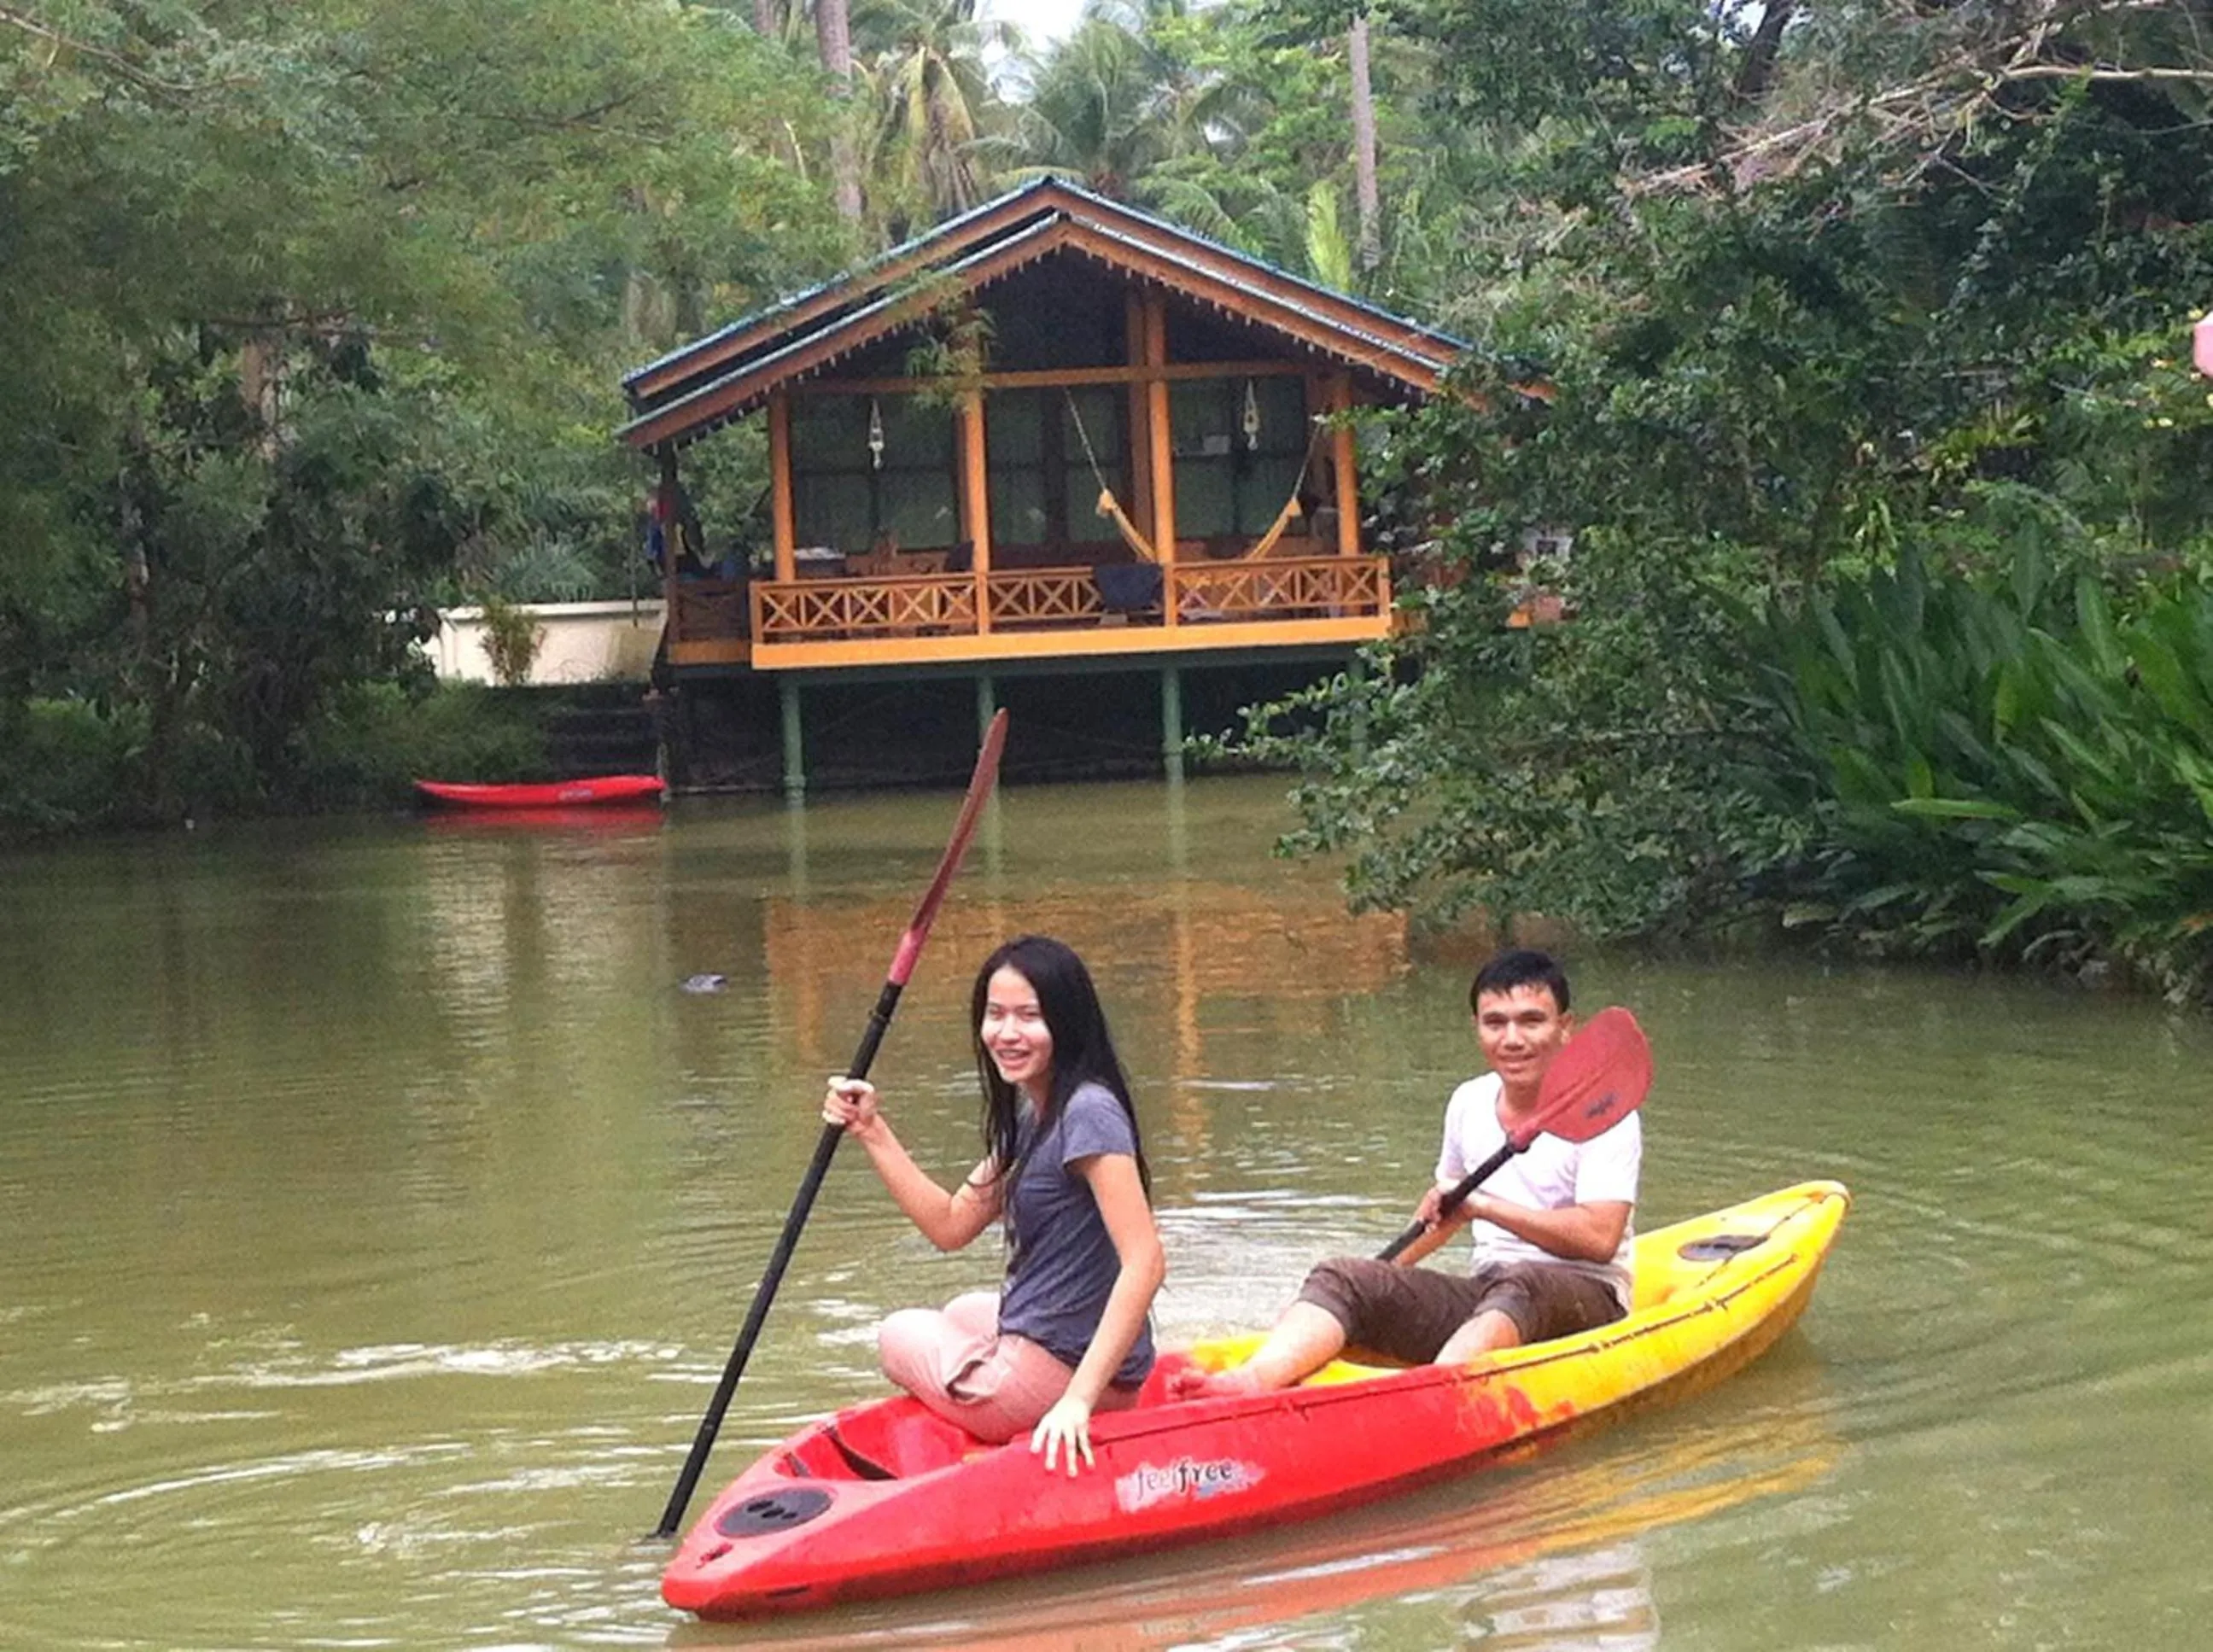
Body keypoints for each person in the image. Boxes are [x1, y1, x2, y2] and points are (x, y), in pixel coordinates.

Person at [1173, 948, 1639, 1397]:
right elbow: (1447, 1211)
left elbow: (1599, 1238)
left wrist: (1487, 1208)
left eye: (1531, 1021)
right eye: (1495, 1022)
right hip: (1490, 1291)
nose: (1512, 1039)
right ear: (1476, 1028)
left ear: (1564, 1028)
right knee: (1343, 1274)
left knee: (1524, 1282)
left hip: (1589, 1297)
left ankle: (1429, 1397)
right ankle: (1252, 1381)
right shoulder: (1468, 1102)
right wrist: (1371, 1286)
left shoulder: (1605, 1113)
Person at [822, 935, 1166, 1474]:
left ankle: (1021, 1397)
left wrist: (1076, 1401)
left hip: (1076, 1378)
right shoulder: (1035, 1114)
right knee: (962, 1310)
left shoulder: (1088, 1113)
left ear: (1067, 1022)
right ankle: (1010, 1380)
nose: (1007, 1034)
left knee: (897, 1333)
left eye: (1029, 1016)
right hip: (1065, 1351)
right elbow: (951, 1225)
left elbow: (1145, 1262)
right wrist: (871, 1130)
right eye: (995, 1015)